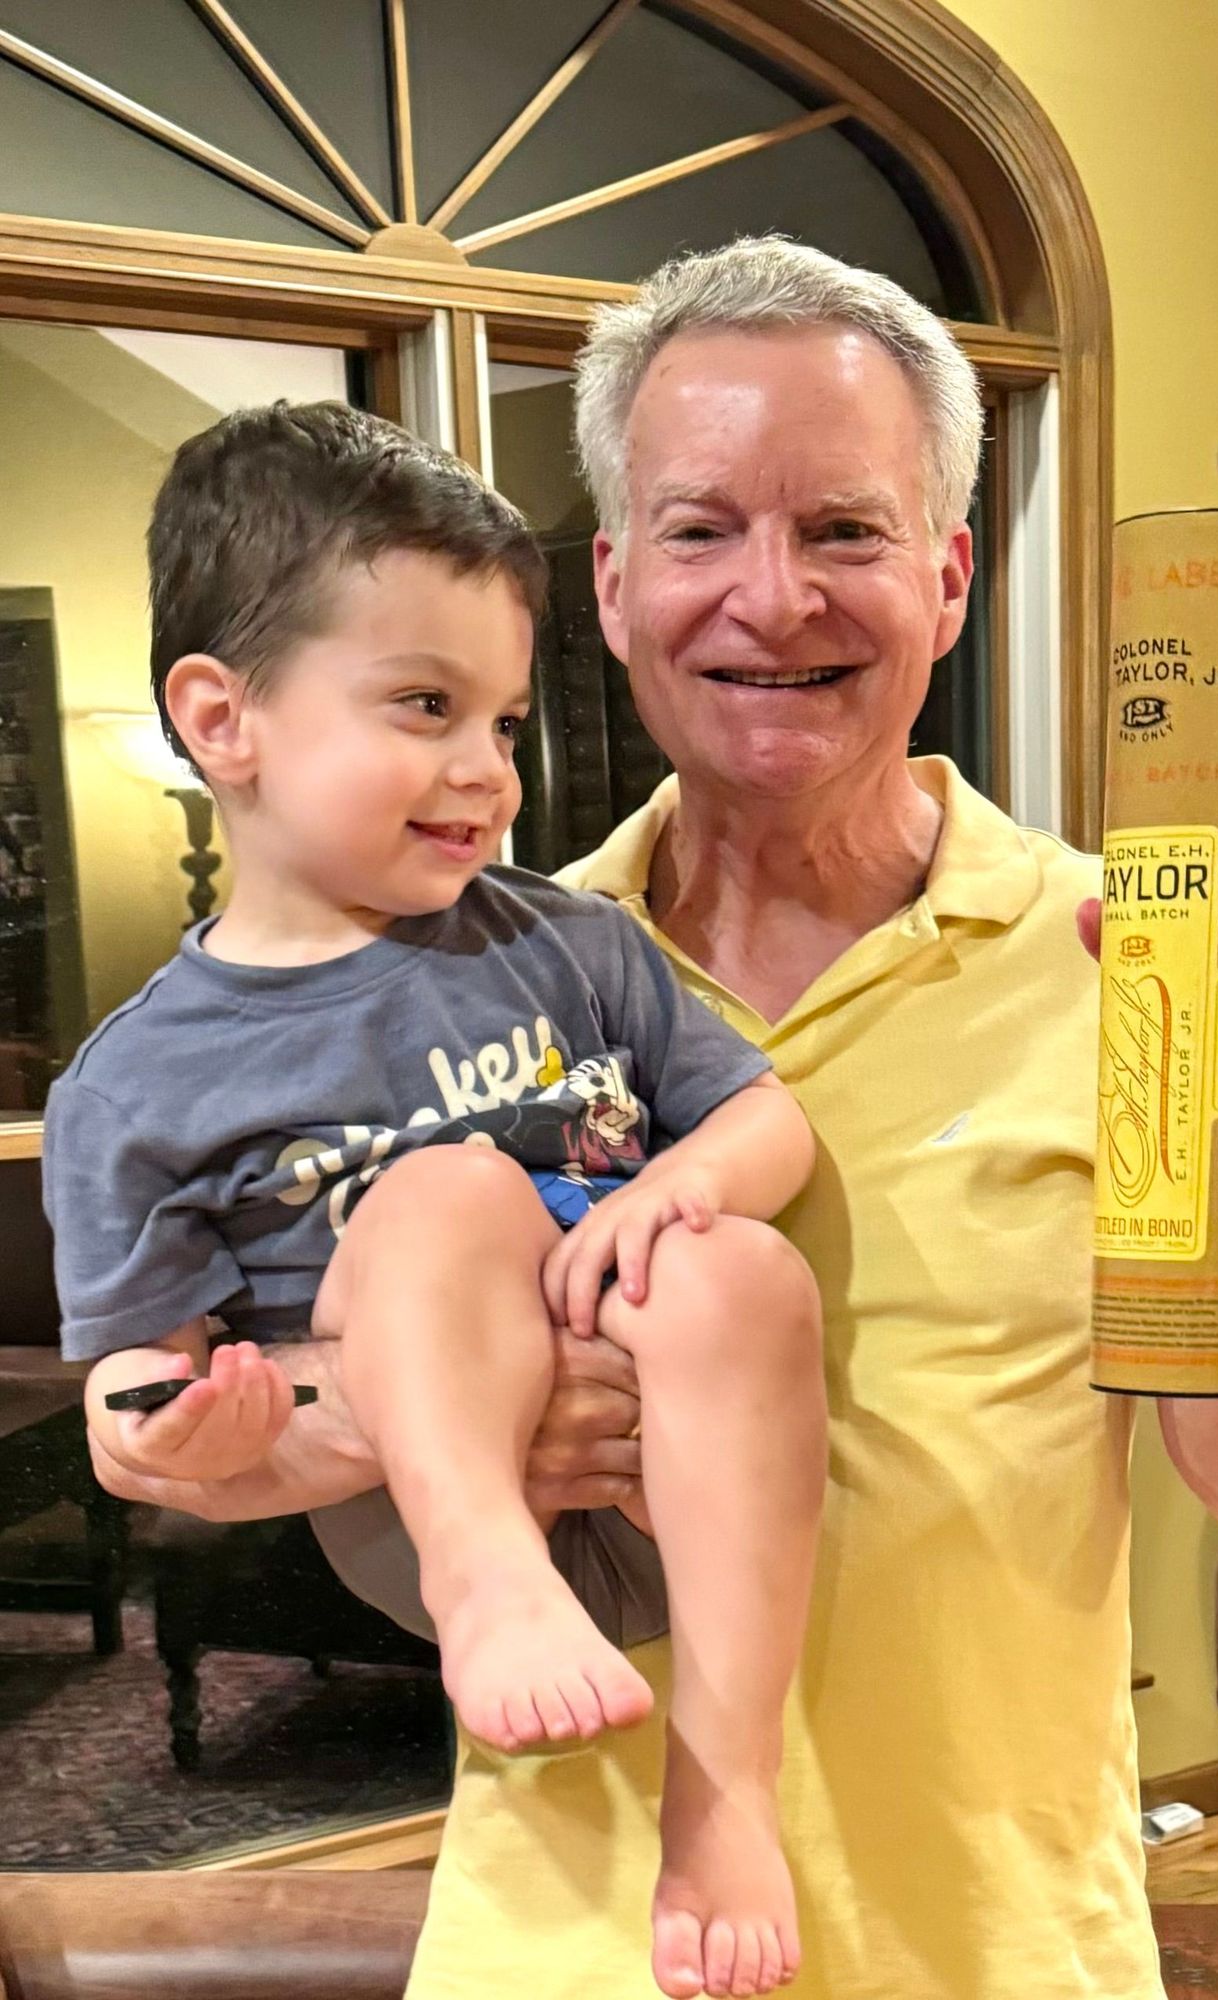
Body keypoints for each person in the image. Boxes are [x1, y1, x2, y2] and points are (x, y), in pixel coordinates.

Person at [84, 242, 1218, 2000]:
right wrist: (406, 1413)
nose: (773, 599)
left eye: (844, 530)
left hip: (995, 1954)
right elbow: (208, 1419)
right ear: (612, 587)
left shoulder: (1109, 959)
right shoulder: (463, 980)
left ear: (948, 577)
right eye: (700, 531)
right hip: (570, 1951)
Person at [41, 401, 827, 2000]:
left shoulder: (567, 943)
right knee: (449, 1195)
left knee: (744, 1268)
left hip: (673, 1498)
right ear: (223, 719)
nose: (485, 773)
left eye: (504, 722)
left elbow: (769, 1117)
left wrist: (677, 1192)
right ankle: (492, 1576)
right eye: (423, 706)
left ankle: (727, 1791)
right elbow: (136, 1384)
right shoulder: (136, 1083)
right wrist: (173, 1426)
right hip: (428, 1525)